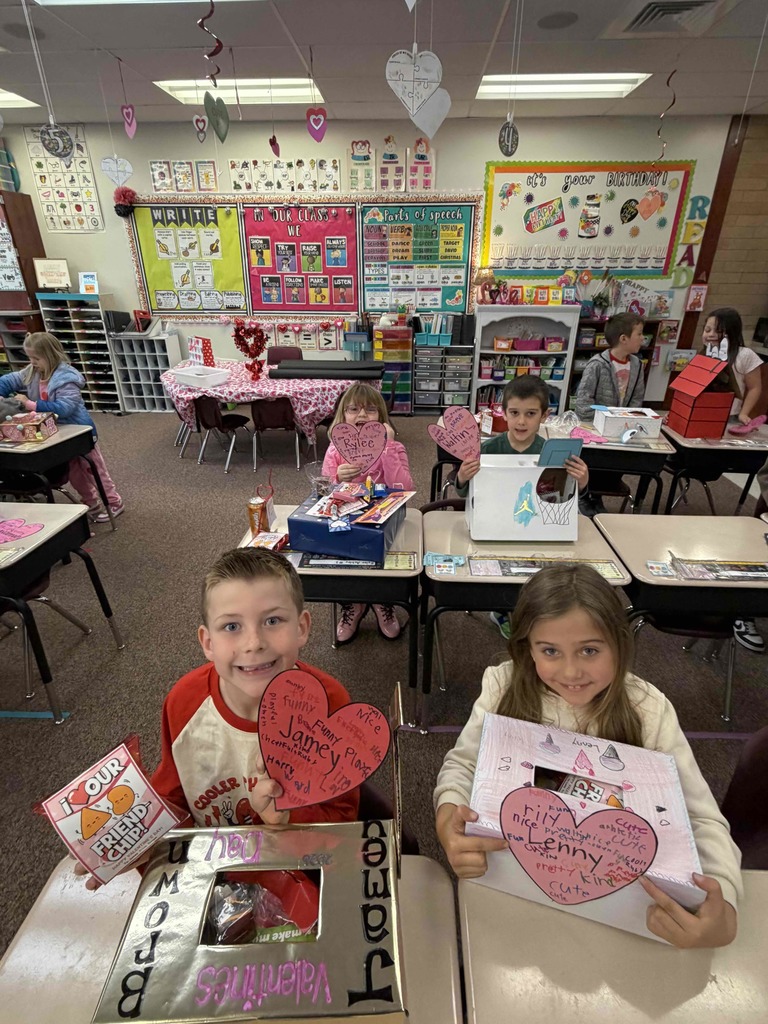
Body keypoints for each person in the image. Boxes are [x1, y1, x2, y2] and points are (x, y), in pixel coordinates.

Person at [434, 564, 742, 949]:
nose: (571, 671)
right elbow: (463, 765)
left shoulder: (648, 711)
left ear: (619, 644)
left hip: (620, 914)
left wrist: (724, 907)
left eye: (590, 650)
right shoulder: (502, 687)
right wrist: (448, 818)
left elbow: (700, 819)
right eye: (550, 651)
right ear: (528, 647)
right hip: (515, 889)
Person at [151, 547, 360, 828]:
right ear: (208, 643)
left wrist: (288, 817)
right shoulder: (184, 701)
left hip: (301, 852)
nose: (254, 643)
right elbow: (171, 798)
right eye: (231, 626)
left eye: (272, 621)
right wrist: (145, 835)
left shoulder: (329, 703)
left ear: (301, 628)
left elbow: (342, 816)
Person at [454, 376, 589, 638]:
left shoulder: (553, 453)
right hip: (494, 525)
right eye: (514, 413)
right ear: (504, 413)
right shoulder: (488, 449)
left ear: (544, 416)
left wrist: (581, 482)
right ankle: (501, 611)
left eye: (530, 414)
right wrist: (462, 476)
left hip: (536, 528)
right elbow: (465, 493)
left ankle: (528, 612)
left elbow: (564, 497)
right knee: (500, 570)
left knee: (545, 573)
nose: (521, 422)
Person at [322, 382, 414, 645]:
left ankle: (382, 600)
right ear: (343, 417)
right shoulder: (335, 450)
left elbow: (405, 488)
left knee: (387, 557)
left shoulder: (394, 448)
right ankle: (353, 603)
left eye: (370, 410)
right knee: (342, 556)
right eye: (353, 409)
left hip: (384, 518)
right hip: (347, 519)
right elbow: (323, 492)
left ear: (382, 419)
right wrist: (336, 477)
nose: (362, 415)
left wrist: (387, 447)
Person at [0, 332, 123, 522]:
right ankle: (91, 503)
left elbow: (65, 408)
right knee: (75, 475)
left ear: (50, 356)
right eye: (30, 357)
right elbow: (7, 381)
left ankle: (114, 502)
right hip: (56, 434)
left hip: (79, 432)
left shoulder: (66, 378)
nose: (32, 362)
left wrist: (30, 404)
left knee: (93, 471)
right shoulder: (32, 371)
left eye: (36, 358)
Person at [574, 312, 647, 515]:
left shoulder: (637, 365)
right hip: (595, 430)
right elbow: (583, 401)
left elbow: (637, 399)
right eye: (639, 334)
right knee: (594, 465)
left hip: (622, 430)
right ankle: (587, 497)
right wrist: (601, 421)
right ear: (624, 338)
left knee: (617, 466)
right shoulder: (597, 364)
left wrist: (627, 420)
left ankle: (597, 498)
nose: (643, 338)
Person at [700, 307, 764, 429]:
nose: (711, 334)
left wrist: (743, 413)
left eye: (719, 331)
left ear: (732, 333)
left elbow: (755, 387)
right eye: (707, 330)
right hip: (700, 412)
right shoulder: (702, 355)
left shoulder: (745, 355)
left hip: (729, 416)